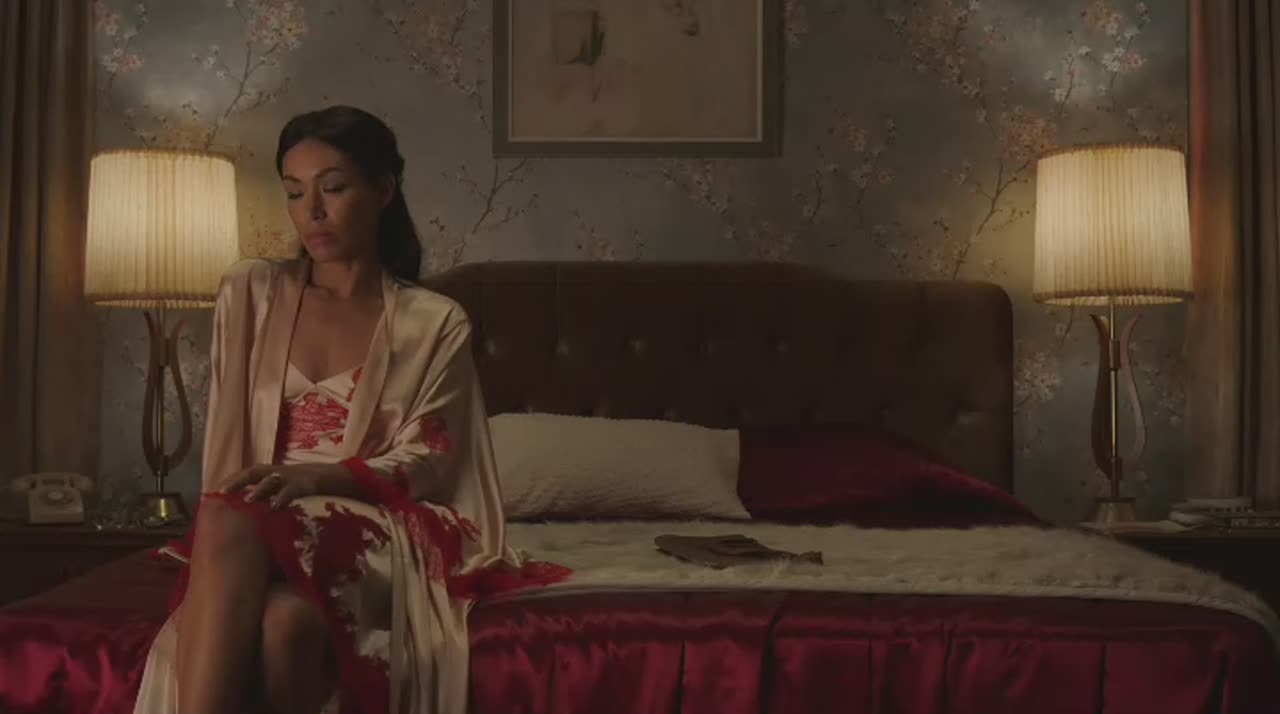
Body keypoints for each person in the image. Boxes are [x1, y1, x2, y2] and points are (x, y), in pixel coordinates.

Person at [131, 106, 568, 714]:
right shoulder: (250, 291)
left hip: (374, 516)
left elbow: (433, 457)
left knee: (228, 518)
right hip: (256, 515)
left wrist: (320, 477)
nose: (311, 211)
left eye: (333, 188)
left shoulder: (432, 321)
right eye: (294, 192)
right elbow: (230, 439)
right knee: (285, 626)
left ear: (383, 190)